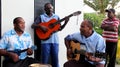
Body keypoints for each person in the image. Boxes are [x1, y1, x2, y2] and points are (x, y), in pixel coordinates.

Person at [31, 3, 69, 67]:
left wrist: (66, 22)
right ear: (45, 9)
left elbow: (60, 29)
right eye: (48, 8)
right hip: (45, 42)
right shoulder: (41, 17)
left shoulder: (56, 17)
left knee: (55, 60)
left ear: (53, 8)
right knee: (44, 61)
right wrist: (40, 26)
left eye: (51, 8)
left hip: (55, 42)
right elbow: (33, 25)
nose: (50, 9)